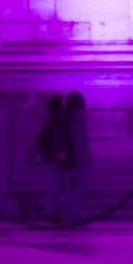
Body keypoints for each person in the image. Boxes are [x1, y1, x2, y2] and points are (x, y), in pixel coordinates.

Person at [33, 91, 84, 224]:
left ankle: (54, 212)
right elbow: (59, 141)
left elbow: (45, 141)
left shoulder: (56, 122)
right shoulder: (57, 122)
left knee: (59, 186)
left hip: (56, 159)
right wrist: (59, 155)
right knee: (59, 187)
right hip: (57, 159)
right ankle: (52, 212)